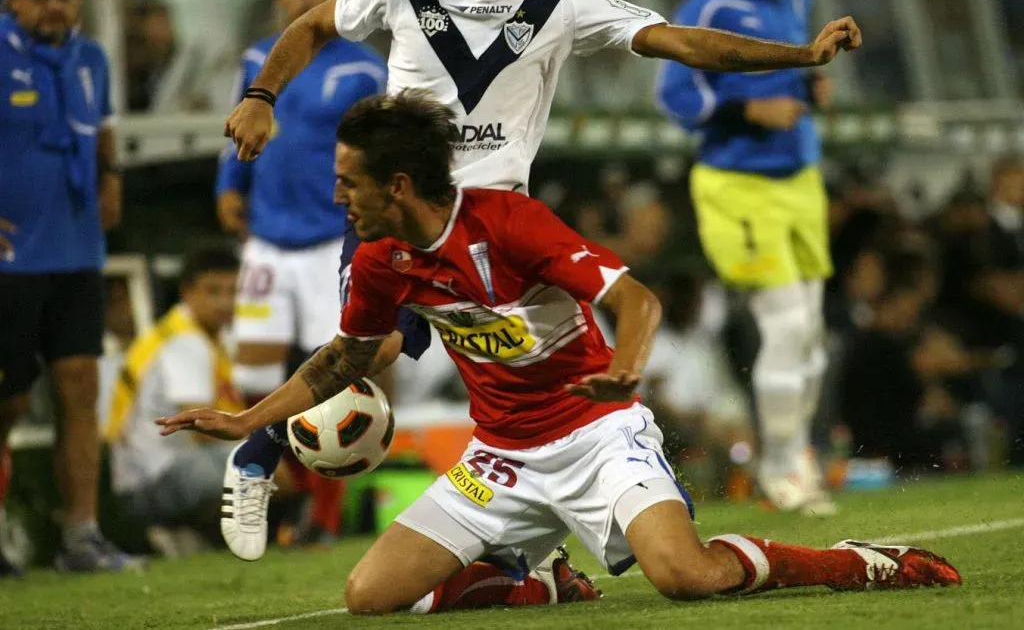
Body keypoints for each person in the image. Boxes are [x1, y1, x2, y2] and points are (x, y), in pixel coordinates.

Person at [217, 0, 862, 560]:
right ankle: (255, 455)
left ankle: (544, 540)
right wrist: (261, 96)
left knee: (534, 379)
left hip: (503, 231)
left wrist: (800, 55)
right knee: (379, 345)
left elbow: (681, 41)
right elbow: (312, 26)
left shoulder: (558, 1)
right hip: (404, 214)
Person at [159, 92, 960, 614]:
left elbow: (636, 301)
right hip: (500, 456)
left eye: (348, 183)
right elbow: (344, 357)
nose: (339, 197)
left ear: (398, 184)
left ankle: (856, 562)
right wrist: (248, 420)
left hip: (597, 433)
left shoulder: (509, 222)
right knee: (370, 595)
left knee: (684, 575)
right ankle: (536, 577)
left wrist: (627, 369)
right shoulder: (379, 258)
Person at [655, 0, 838, 515]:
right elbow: (676, 95)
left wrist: (813, 90)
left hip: (800, 177)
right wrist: (746, 107)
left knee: (810, 334)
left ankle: (797, 459)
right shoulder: (708, 7)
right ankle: (779, 467)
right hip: (737, 184)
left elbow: (794, 69)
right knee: (785, 326)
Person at [215, 0, 390, 545]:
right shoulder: (259, 58)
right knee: (253, 376)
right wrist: (228, 182)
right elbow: (240, 121)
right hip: (266, 239)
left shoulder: (363, 70)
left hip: (326, 243)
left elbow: (378, 149)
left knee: (336, 375)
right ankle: (284, 485)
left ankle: (327, 515)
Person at [0, 0, 134, 572]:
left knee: (81, 391)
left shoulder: (91, 58)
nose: (55, 6)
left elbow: (101, 124)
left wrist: (110, 174)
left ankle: (81, 535)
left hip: (78, 249)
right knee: (10, 401)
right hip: (9, 258)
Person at [105, 243, 243, 556]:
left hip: (142, 477)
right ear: (187, 292)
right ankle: (188, 530)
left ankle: (186, 533)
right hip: (150, 482)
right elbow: (203, 428)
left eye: (233, 291)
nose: (225, 302)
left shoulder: (198, 333)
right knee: (265, 463)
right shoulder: (186, 342)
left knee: (262, 456)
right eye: (213, 291)